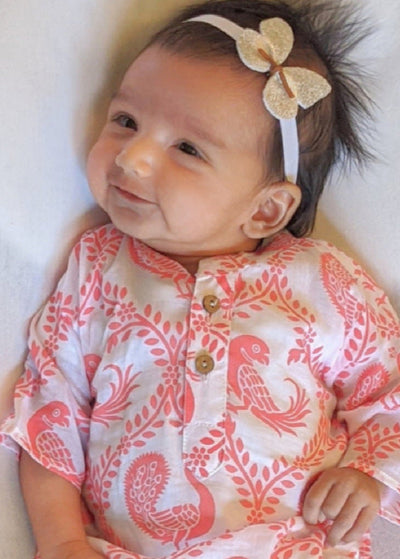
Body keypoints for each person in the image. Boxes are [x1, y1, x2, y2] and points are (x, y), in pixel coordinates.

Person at [1, 0, 400, 558]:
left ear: (266, 210)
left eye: (187, 149)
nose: (133, 158)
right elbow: (51, 412)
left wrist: (368, 472)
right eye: (126, 120)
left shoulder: (323, 282)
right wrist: (61, 539)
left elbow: (386, 392)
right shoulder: (99, 267)